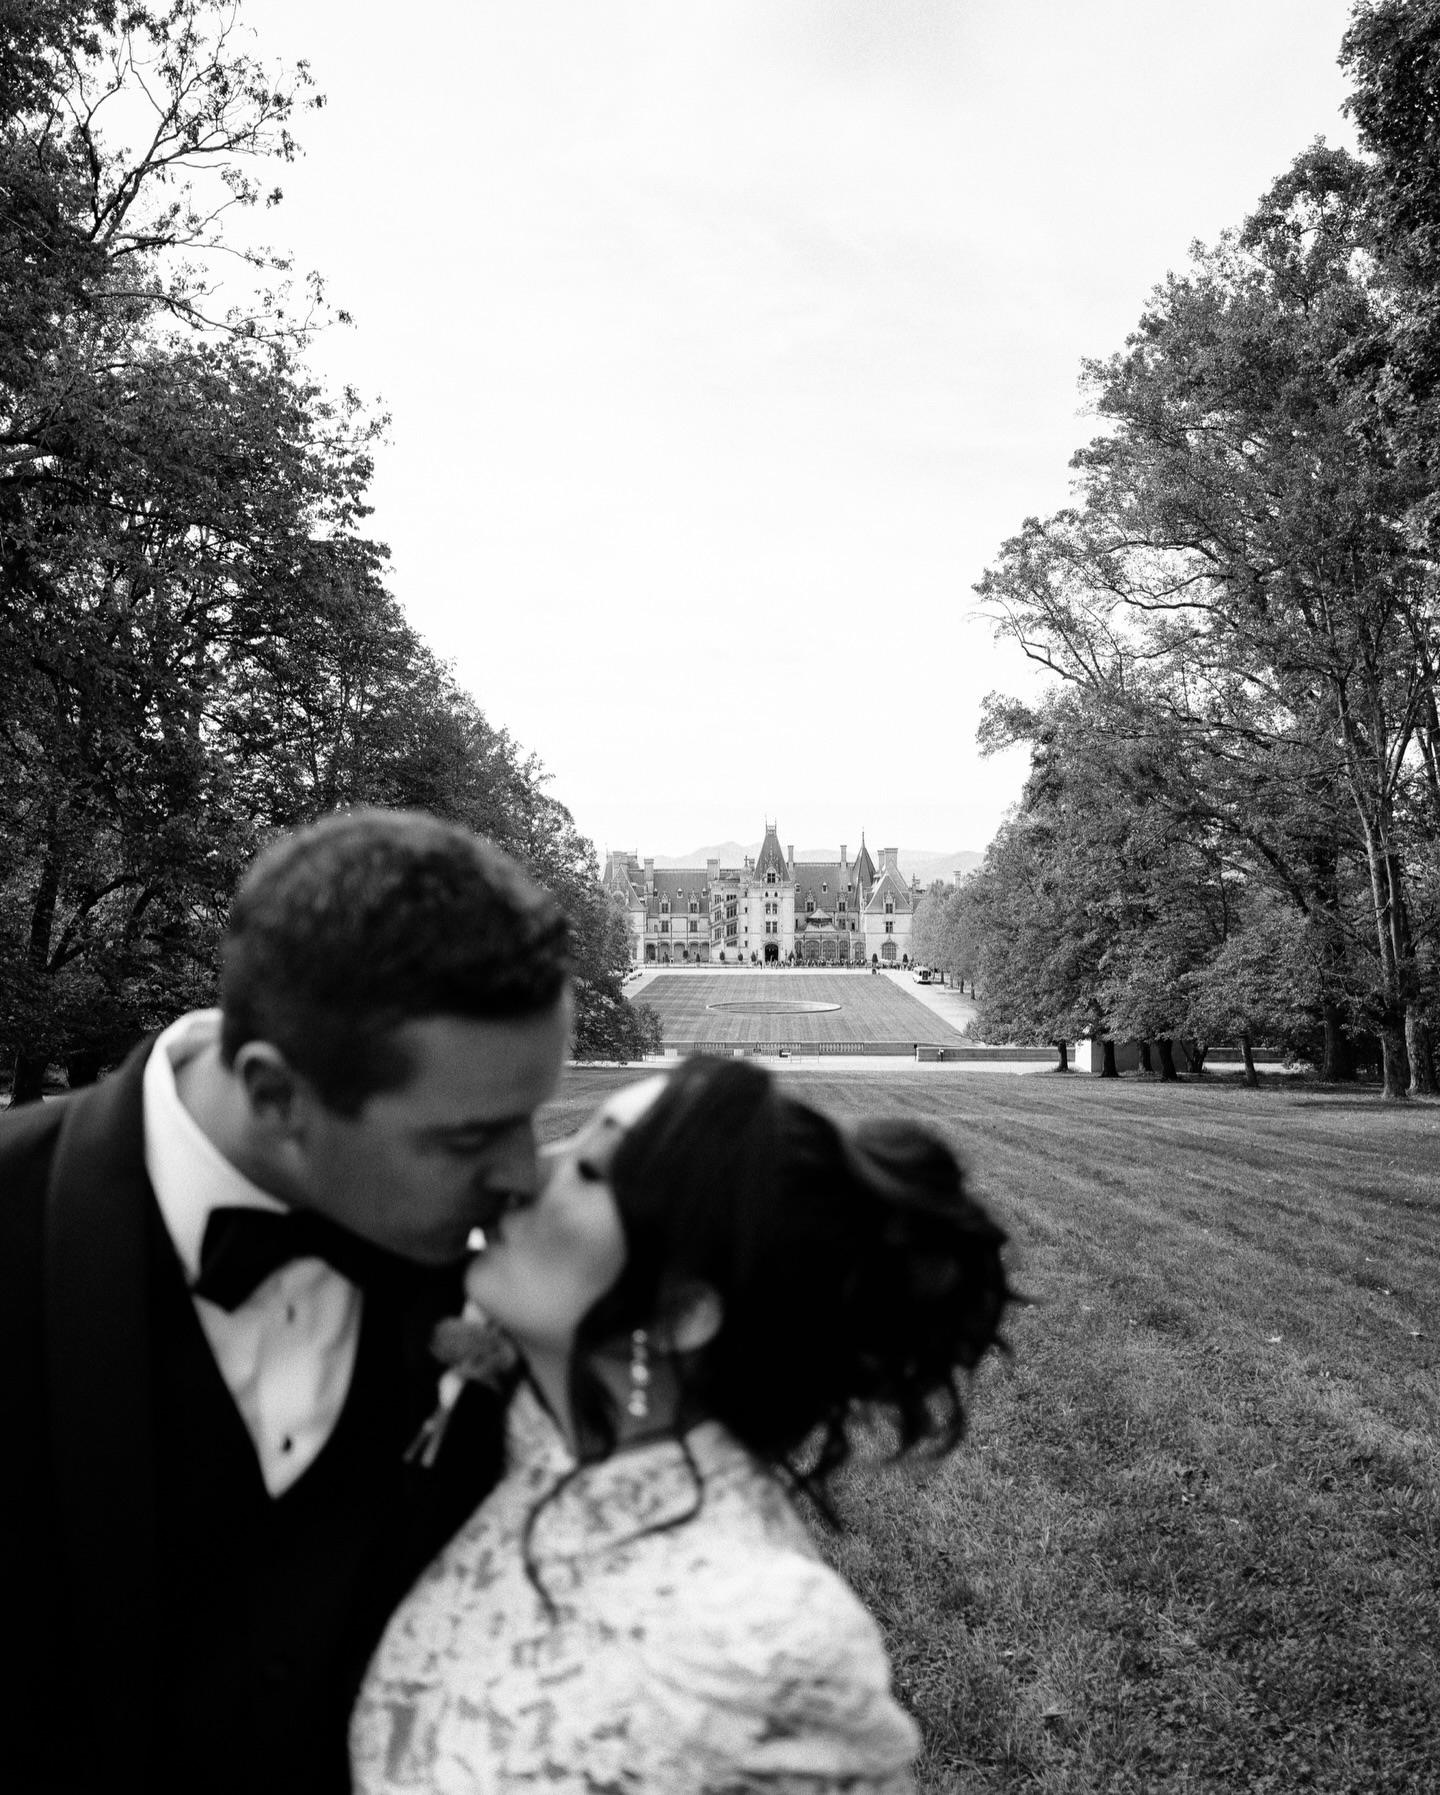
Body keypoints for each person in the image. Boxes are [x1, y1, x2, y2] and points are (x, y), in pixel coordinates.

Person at [0, 809, 573, 1795]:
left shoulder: (519, 1281)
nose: (526, 1177)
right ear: (274, 1094)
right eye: (469, 1138)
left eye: (532, 1117)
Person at [352, 1056, 1013, 1794]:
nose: (528, 1171)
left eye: (590, 1170)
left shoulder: (763, 1637)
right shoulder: (526, 1436)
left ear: (679, 1313)